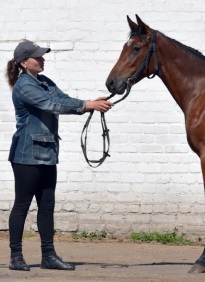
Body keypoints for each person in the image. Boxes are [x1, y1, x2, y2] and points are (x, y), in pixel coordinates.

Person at [5, 40, 113, 271]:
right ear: (24, 62)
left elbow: (62, 99)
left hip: (47, 152)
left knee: (47, 206)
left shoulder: (44, 81)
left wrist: (91, 103)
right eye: (37, 57)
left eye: (42, 56)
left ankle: (48, 256)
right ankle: (16, 256)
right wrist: (87, 105)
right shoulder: (24, 86)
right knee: (22, 205)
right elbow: (51, 104)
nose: (42, 59)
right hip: (26, 155)